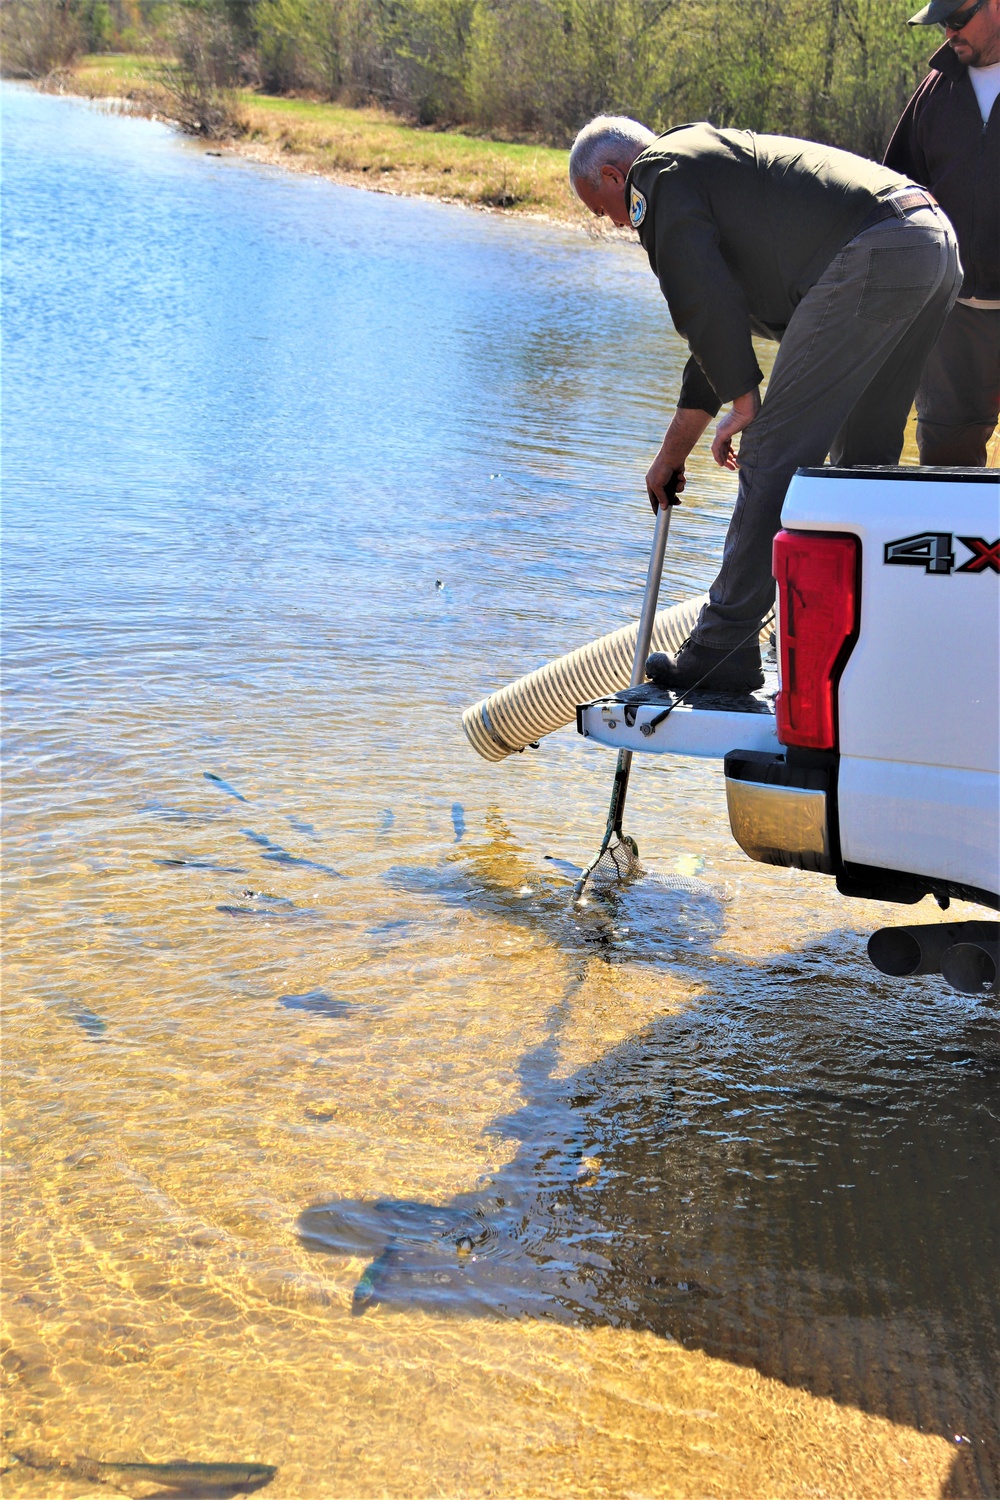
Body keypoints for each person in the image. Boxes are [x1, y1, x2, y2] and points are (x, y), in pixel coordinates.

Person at [569, 117, 961, 690]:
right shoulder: (711, 175)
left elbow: (700, 300)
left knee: (772, 452)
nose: (612, 221)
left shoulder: (657, 174)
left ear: (613, 173)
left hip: (878, 249)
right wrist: (671, 456)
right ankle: (858, 641)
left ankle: (721, 648)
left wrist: (747, 405)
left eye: (601, 206)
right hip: (930, 244)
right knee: (860, 466)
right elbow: (715, 330)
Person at [885, 0, 1000, 465]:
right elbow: (892, 197)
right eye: (942, 23)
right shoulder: (934, 93)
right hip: (954, 322)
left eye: (956, 20)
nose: (948, 33)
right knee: (947, 469)